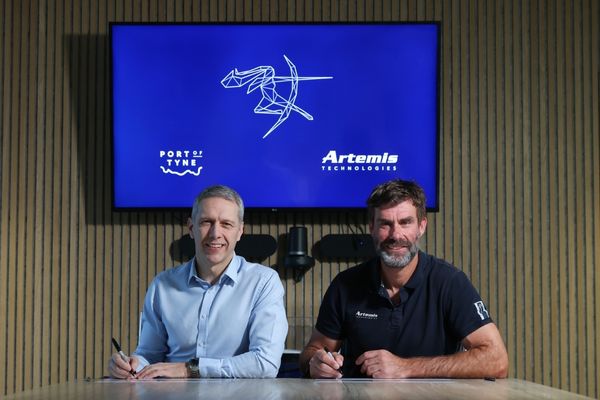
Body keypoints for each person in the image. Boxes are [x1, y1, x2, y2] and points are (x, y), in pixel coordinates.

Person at [300, 179, 508, 379]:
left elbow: (497, 360)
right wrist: (315, 363)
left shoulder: (450, 282)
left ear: (421, 226)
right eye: (385, 224)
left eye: (405, 222)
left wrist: (405, 367)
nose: (395, 234)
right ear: (371, 227)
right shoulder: (345, 284)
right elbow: (313, 350)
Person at [109, 185, 288, 379]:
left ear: (240, 231)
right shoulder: (162, 285)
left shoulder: (263, 282)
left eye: (226, 224)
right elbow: (149, 355)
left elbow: (265, 363)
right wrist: (132, 364)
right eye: (206, 222)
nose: (215, 233)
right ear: (191, 228)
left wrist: (191, 369)